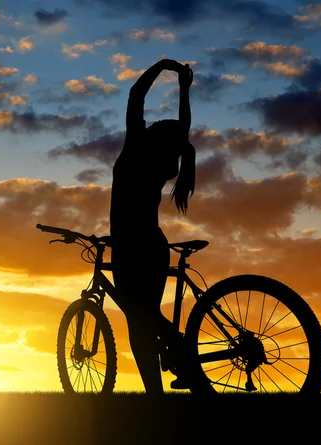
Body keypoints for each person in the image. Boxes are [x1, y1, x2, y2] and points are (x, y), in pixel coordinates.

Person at [110, 58, 197, 395]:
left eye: (159, 122)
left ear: (154, 134)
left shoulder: (137, 148)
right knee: (143, 316)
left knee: (138, 319)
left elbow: (136, 95)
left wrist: (163, 65)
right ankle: (164, 381)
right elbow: (184, 127)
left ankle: (174, 363)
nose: (154, 121)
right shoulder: (165, 162)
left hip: (131, 246)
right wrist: (183, 88)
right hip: (153, 246)